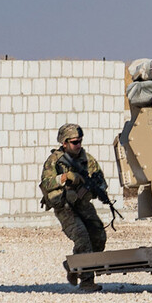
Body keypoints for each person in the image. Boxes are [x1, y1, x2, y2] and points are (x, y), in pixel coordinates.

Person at [39, 123, 108, 292]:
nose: (78, 145)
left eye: (80, 141)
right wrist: (65, 177)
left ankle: (72, 265)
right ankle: (86, 281)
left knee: (99, 237)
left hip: (82, 204)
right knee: (83, 239)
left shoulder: (87, 159)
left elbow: (101, 181)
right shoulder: (54, 161)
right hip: (64, 206)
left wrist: (92, 188)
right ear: (64, 143)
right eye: (74, 142)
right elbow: (46, 183)